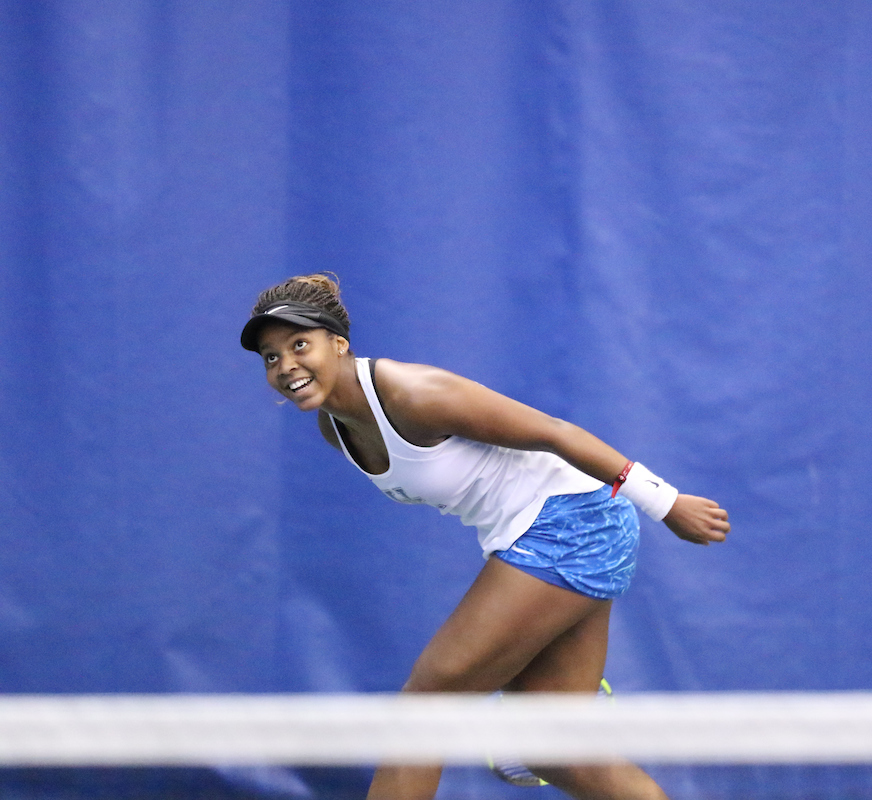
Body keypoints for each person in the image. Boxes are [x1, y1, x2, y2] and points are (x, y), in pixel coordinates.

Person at [240, 273, 730, 800]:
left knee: (424, 710)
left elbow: (554, 432)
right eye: (271, 357)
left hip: (572, 524)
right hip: (546, 531)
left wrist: (665, 501)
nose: (286, 365)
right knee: (551, 750)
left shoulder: (414, 393)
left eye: (299, 344)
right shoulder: (334, 429)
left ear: (338, 343)